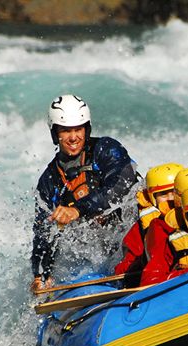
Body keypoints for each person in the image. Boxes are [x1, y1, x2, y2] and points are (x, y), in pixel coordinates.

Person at [31, 94, 139, 293]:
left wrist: (78, 210)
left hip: (131, 236)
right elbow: (42, 234)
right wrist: (40, 274)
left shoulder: (106, 150)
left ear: (86, 129)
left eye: (78, 129)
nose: (73, 137)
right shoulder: (48, 182)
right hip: (97, 253)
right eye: (66, 131)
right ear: (55, 134)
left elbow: (122, 184)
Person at [113, 163, 183, 281]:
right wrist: (141, 262)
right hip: (158, 278)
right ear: (152, 199)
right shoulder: (141, 229)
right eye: (163, 194)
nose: (170, 198)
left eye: (174, 192)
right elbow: (124, 267)